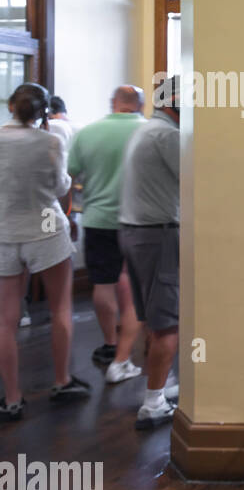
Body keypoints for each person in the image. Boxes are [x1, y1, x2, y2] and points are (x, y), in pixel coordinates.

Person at [0, 83, 92, 420]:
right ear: (43, 113)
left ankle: (12, 398)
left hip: (5, 229)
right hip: (45, 224)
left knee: (5, 320)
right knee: (61, 309)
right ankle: (61, 380)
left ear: (11, 105)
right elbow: (60, 186)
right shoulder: (51, 140)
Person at [66, 85, 144, 383]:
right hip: (138, 220)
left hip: (98, 219)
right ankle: (132, 343)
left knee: (103, 282)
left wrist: (69, 211)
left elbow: (69, 176)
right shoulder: (148, 132)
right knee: (133, 281)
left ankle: (111, 343)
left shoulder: (87, 133)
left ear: (113, 103)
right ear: (139, 105)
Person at [118, 77, 182, 429]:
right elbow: (195, 179)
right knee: (168, 321)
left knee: (155, 318)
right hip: (157, 235)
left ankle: (162, 385)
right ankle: (153, 402)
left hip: (134, 232)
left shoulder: (147, 130)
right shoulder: (168, 136)